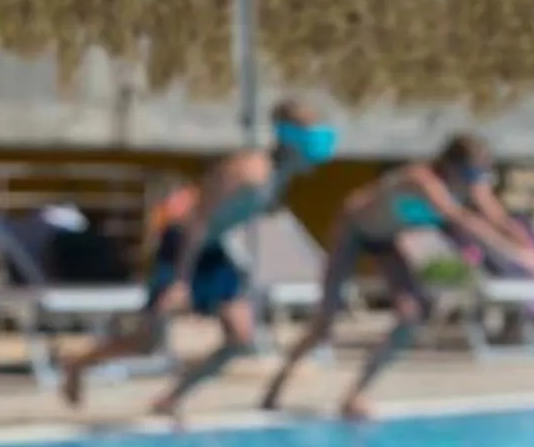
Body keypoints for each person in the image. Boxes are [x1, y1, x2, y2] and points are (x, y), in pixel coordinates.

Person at [58, 98, 339, 419]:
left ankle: (171, 399)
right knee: (147, 342)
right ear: (292, 141)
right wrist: (180, 279)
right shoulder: (250, 172)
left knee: (240, 338)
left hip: (212, 249)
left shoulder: (277, 179)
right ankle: (77, 364)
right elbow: (198, 221)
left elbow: (229, 220)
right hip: (183, 245)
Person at [258, 133, 534, 421]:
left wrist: (532, 251)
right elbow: (460, 219)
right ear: (450, 165)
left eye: (480, 172)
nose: (474, 180)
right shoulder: (420, 179)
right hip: (352, 231)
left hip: (386, 239)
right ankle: (277, 384)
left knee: (411, 316)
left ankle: (355, 394)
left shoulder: (472, 186)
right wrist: (515, 254)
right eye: (471, 171)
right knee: (325, 324)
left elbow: (498, 218)